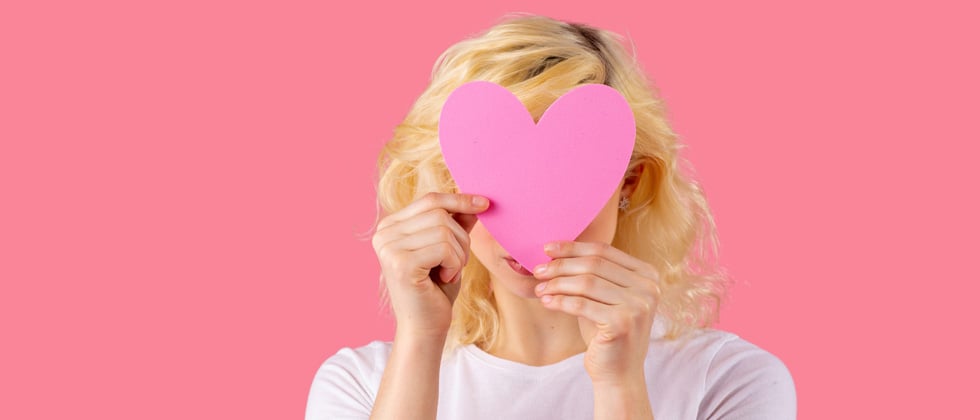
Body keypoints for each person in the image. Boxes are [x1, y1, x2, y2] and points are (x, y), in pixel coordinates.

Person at [306, 14, 796, 420]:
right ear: (451, 178)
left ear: (628, 183)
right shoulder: (360, 384)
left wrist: (620, 384)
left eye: (569, 171)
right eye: (497, 168)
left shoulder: (731, 381)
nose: (532, 216)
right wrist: (420, 340)